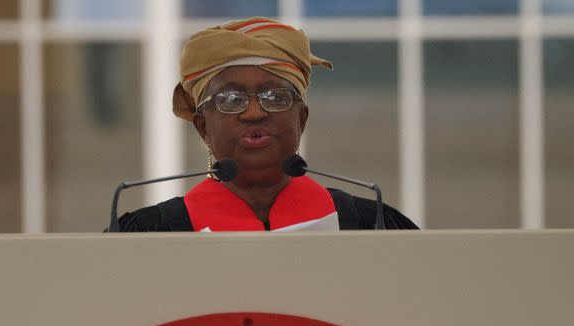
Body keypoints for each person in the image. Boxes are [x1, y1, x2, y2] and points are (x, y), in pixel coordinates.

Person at [118, 17, 418, 232]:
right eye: (231, 99)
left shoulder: (372, 226)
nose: (253, 113)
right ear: (202, 127)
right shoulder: (148, 233)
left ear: (302, 119)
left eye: (275, 97)